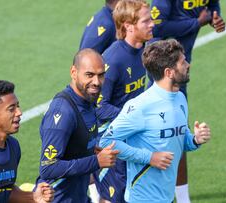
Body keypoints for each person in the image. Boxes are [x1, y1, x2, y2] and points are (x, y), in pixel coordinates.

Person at [99, 39, 211, 203]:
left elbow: (179, 140)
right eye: (182, 62)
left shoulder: (179, 99)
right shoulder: (140, 106)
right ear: (169, 72)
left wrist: (195, 139)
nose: (188, 65)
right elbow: (106, 142)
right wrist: (149, 157)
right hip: (142, 199)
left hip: (166, 197)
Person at [149, 1, 225, 202]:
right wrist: (196, 23)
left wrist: (215, 17)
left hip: (179, 74)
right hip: (159, 74)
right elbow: (157, 27)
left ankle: (182, 199)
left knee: (178, 134)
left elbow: (212, 5)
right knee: (154, 137)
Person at [35, 48, 119, 203]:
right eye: (89, 75)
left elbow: (74, 147)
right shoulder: (63, 112)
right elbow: (48, 168)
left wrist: (90, 152)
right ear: (74, 72)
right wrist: (96, 161)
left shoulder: (88, 102)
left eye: (101, 75)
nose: (96, 82)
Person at [95, 0, 154, 202]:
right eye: (146, 21)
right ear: (129, 26)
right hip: (110, 139)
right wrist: (132, 115)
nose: (152, 24)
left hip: (132, 135)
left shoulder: (144, 50)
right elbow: (98, 108)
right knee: (113, 197)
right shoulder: (113, 60)